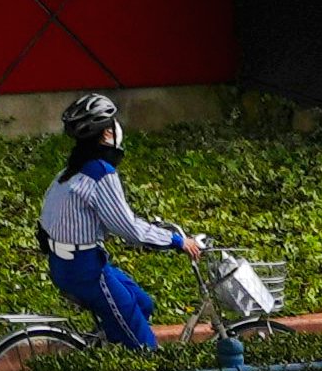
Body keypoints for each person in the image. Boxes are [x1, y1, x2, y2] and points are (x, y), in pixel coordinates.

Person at [36, 91, 205, 352]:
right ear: (106, 134)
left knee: (143, 304)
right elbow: (128, 229)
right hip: (87, 271)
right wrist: (177, 240)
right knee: (145, 347)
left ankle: (109, 358)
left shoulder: (68, 173)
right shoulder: (100, 174)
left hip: (65, 265)